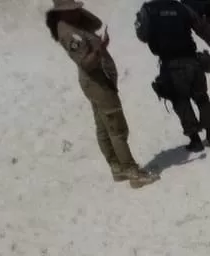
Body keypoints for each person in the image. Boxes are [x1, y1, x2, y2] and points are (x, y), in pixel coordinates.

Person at [46, 4, 155, 186]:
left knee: (103, 125)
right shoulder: (69, 33)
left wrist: (80, 16)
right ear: (62, 12)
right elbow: (86, 63)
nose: (76, 11)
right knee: (116, 127)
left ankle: (117, 167)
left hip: (96, 81)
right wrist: (100, 49)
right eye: (72, 9)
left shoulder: (74, 25)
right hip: (97, 82)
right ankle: (132, 172)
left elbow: (95, 22)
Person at [134, 0, 210, 152]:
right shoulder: (181, 7)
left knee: (181, 102)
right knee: (202, 98)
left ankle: (195, 140)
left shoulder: (148, 10)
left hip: (170, 64)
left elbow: (142, 36)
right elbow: (200, 26)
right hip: (192, 60)